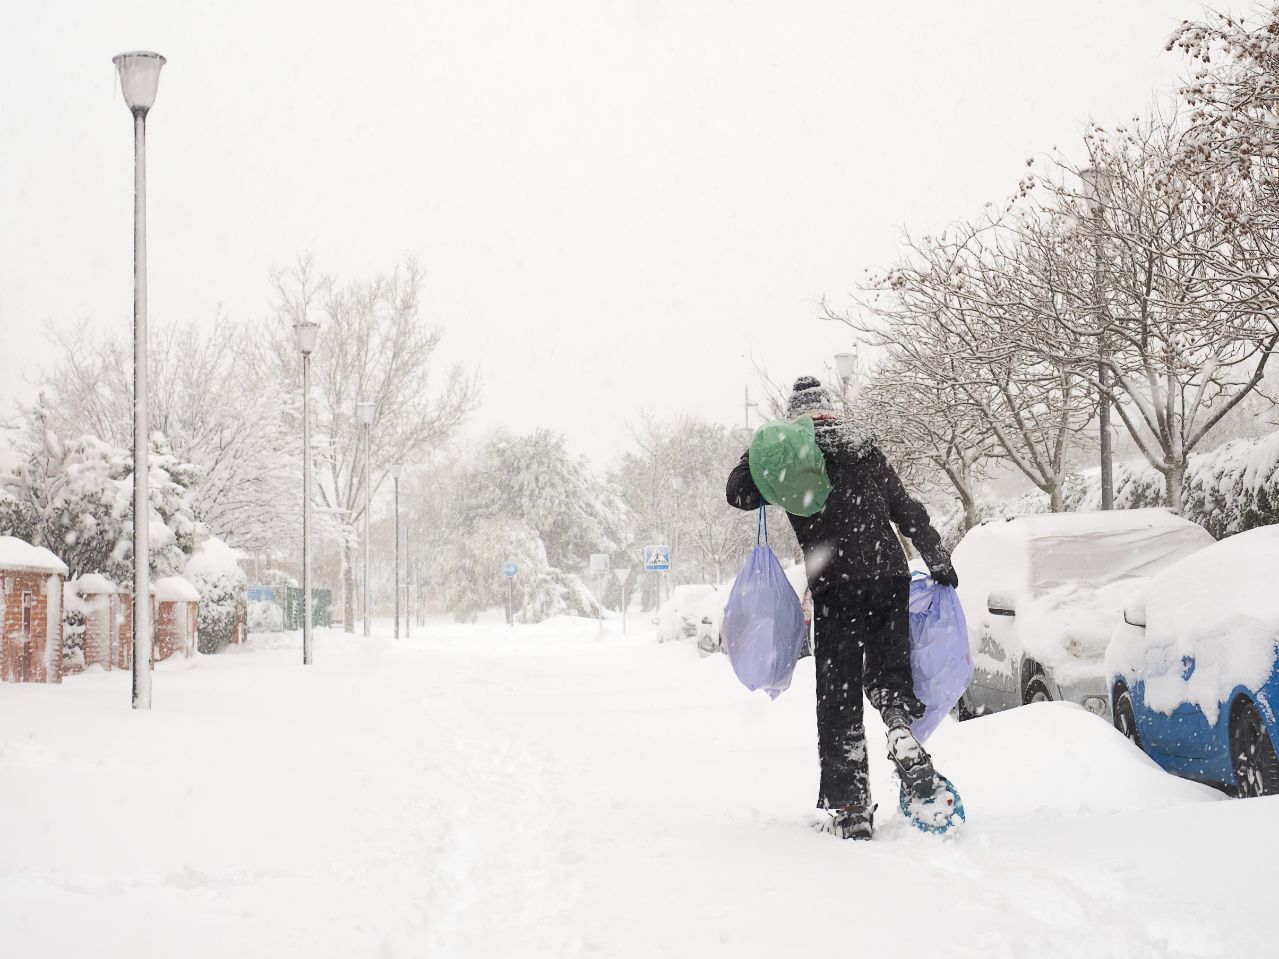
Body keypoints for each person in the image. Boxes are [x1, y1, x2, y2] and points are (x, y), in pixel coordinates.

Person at [725, 375, 958, 840]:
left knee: (839, 696)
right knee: (890, 677)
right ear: (830, 409)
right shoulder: (861, 446)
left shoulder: (786, 456)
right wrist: (936, 557)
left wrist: (761, 449)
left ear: (796, 418)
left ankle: (851, 806)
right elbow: (906, 507)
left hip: (835, 584)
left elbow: (739, 493)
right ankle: (898, 728)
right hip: (888, 574)